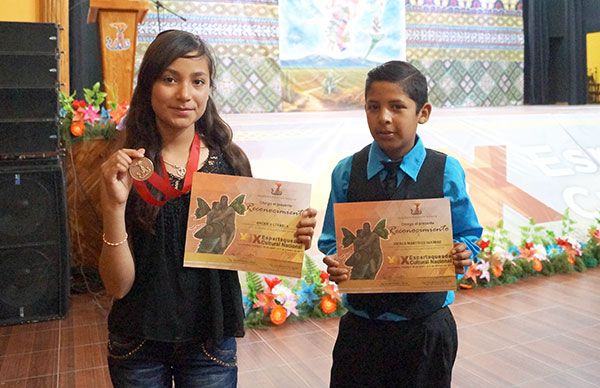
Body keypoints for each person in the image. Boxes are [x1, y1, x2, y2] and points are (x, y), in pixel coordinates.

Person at [99, 30, 317, 388]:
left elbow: (248, 247)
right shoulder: (125, 168)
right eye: (170, 79)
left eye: (198, 81)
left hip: (208, 343)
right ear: (148, 85)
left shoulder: (230, 163)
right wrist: (113, 206)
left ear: (208, 89)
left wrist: (287, 236)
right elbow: (117, 286)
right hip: (138, 342)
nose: (185, 94)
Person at [318, 60, 482, 388]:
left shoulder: (446, 171)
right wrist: (337, 262)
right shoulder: (347, 172)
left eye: (397, 107)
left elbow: (468, 234)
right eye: (373, 107)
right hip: (362, 330)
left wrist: (464, 253)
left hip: (427, 329)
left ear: (423, 112)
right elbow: (330, 239)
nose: (384, 118)